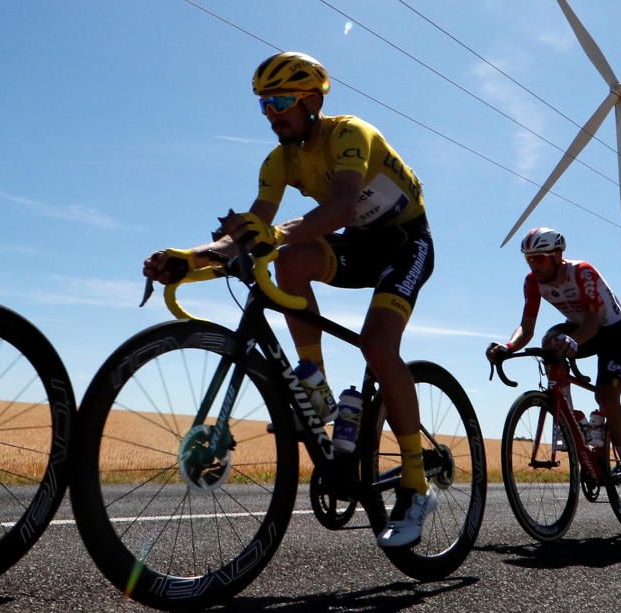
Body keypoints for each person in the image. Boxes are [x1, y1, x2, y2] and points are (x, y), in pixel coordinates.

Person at [142, 51, 435, 548]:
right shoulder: (279, 160)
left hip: (404, 243)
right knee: (291, 260)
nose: (272, 113)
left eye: (280, 101)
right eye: (264, 105)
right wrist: (188, 259)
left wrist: (273, 233)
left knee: (377, 346)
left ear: (313, 101)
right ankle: (313, 381)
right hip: (357, 246)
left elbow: (341, 206)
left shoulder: (349, 134)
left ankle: (415, 482)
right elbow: (247, 234)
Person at [486, 227, 621, 515]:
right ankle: (566, 419)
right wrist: (508, 346)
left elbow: (595, 322)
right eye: (529, 259)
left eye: (540, 258)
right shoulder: (532, 282)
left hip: (609, 332)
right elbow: (527, 327)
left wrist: (573, 340)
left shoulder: (582, 272)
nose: (534, 264)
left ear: (558, 255)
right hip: (578, 329)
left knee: (607, 400)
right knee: (549, 341)